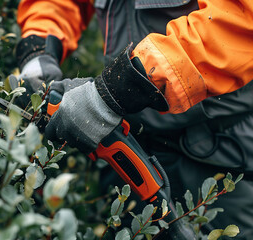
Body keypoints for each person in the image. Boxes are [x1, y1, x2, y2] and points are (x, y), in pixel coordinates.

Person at [14, 0, 253, 238]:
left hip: (219, 154)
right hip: (126, 136)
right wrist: (40, 44)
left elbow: (240, 20)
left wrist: (124, 84)